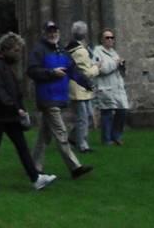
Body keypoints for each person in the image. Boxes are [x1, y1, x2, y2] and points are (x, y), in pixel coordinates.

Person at [0, 31, 54, 192]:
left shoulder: (3, 66)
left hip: (8, 114)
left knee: (21, 145)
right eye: (16, 51)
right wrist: (15, 107)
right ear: (6, 49)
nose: (18, 55)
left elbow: (10, 90)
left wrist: (18, 108)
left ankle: (36, 178)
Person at [26, 21, 92, 180]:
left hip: (59, 98)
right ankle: (75, 167)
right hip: (47, 99)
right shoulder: (39, 51)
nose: (52, 34)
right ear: (44, 33)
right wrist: (51, 73)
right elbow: (32, 71)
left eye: (55, 31)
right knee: (62, 134)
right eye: (49, 31)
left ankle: (35, 166)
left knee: (44, 135)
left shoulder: (63, 51)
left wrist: (87, 84)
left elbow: (73, 71)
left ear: (59, 33)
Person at [90, 28, 129, 146]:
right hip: (105, 87)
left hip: (117, 87)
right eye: (107, 37)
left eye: (112, 37)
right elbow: (101, 69)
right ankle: (106, 139)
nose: (110, 40)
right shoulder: (97, 52)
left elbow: (118, 70)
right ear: (102, 40)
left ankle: (116, 135)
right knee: (106, 113)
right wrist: (115, 63)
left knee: (122, 110)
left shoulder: (114, 52)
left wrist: (122, 64)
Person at [65, 20, 99, 153]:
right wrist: (97, 67)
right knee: (83, 118)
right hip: (79, 88)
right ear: (84, 34)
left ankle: (73, 138)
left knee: (88, 116)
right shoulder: (81, 51)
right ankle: (82, 145)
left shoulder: (72, 48)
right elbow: (86, 73)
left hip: (79, 88)